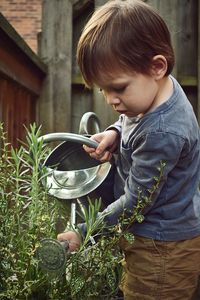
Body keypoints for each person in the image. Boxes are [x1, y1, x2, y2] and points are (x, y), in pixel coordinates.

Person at [57, 1, 200, 299]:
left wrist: (85, 232)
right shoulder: (157, 90)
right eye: (103, 90)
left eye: (118, 88)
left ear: (157, 66)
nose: (111, 100)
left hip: (161, 252)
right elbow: (133, 120)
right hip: (151, 237)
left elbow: (136, 203)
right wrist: (115, 131)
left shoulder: (164, 132)